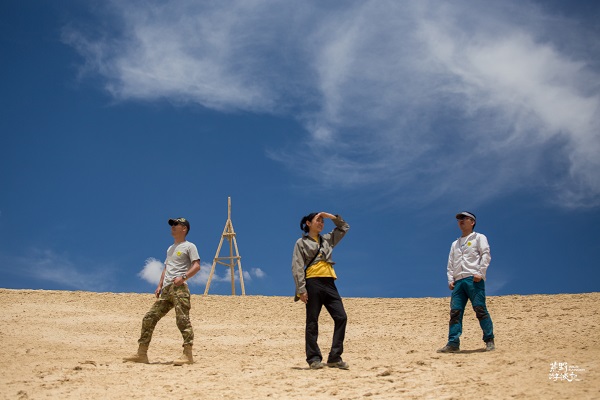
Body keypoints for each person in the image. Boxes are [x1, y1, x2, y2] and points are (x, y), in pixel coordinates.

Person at [124, 217, 201, 365]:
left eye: (176, 224)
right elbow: (166, 268)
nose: (172, 226)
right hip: (166, 290)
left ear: (184, 229)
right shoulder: (170, 248)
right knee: (149, 317)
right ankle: (142, 354)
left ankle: (188, 355)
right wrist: (159, 285)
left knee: (182, 319)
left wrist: (183, 277)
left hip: (179, 288)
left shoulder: (189, 246)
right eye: (172, 224)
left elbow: (196, 266)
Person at [292, 212, 350, 370]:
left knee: (341, 317)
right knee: (312, 322)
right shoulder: (301, 242)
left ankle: (334, 357)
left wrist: (333, 218)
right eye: (318, 220)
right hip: (313, 283)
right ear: (308, 223)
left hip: (330, 282)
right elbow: (297, 267)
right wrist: (301, 289)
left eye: (323, 221)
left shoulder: (327, 239)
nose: (321, 223)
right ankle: (313, 359)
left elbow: (344, 228)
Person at [438, 211, 495, 353]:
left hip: (473, 279)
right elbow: (450, 263)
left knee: (480, 309)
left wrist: (480, 273)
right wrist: (451, 279)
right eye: (459, 219)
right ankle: (453, 343)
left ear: (472, 222)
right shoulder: (455, 244)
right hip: (458, 282)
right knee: (455, 312)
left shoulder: (479, 237)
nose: (461, 221)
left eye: (464, 218)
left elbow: (486, 255)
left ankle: (489, 340)